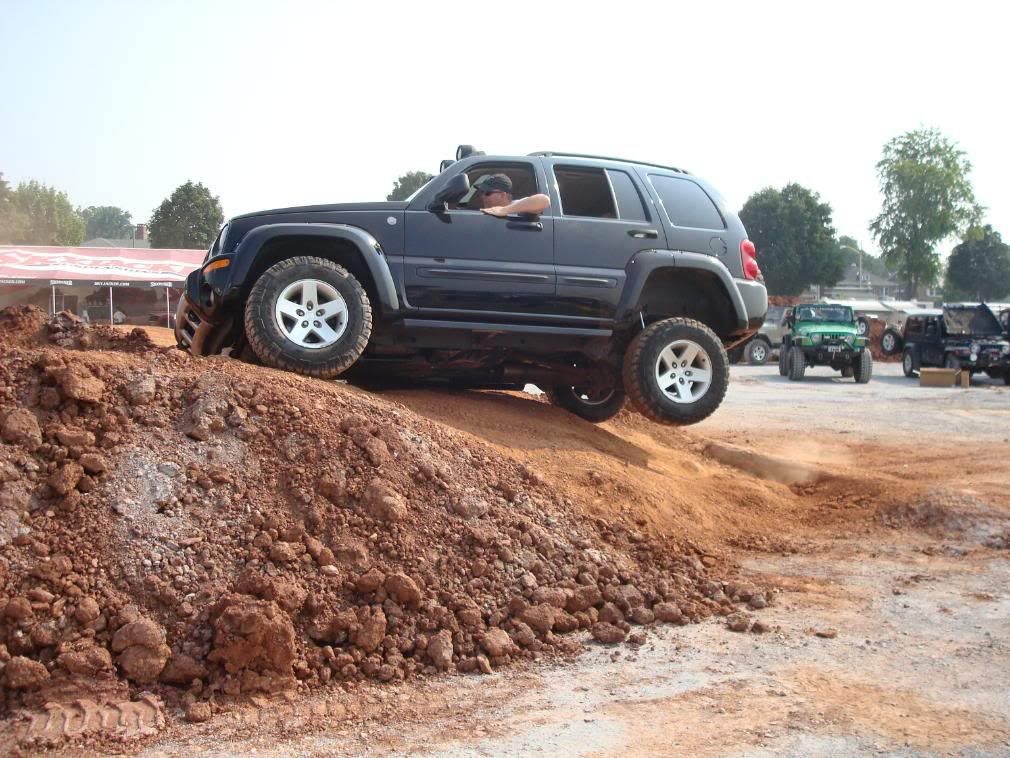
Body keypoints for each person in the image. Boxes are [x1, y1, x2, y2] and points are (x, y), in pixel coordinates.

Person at [458, 173, 551, 218]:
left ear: (502, 195)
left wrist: (504, 210)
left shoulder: (517, 205)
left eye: (487, 193)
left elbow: (544, 201)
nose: (482, 196)